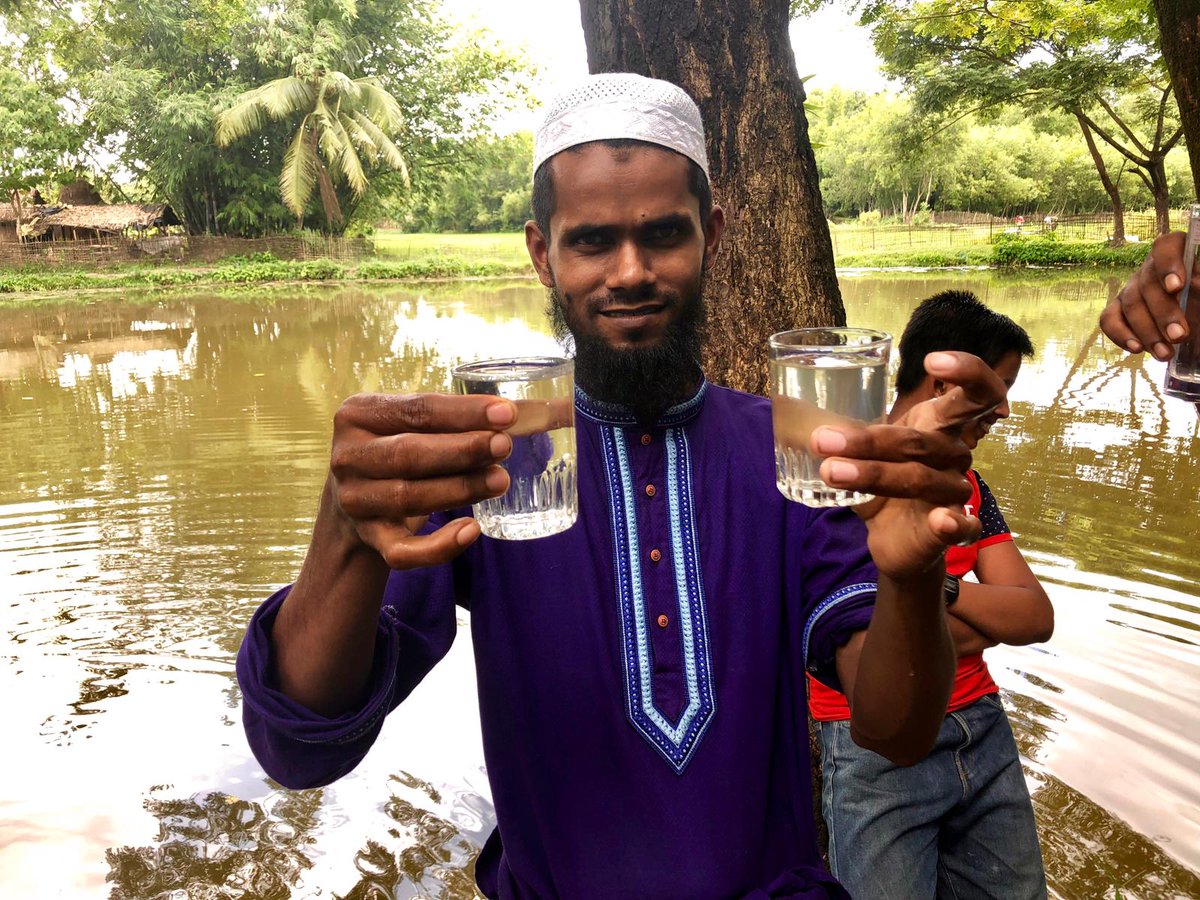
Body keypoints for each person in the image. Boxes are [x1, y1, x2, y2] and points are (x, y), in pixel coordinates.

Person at [235, 73, 1007, 898]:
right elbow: (301, 750)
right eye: (593, 241)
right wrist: (344, 529)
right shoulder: (492, 459)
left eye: (664, 234)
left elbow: (896, 731)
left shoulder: (795, 452)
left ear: (712, 236)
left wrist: (913, 576)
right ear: (543, 254)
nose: (630, 272)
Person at [810, 291, 1054, 899]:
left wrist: (930, 589)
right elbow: (872, 667)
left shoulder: (969, 485)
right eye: (995, 393)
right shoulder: (840, 480)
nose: (1002, 414)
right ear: (945, 384)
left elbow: (1033, 616)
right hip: (874, 759)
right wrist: (973, 611)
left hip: (983, 726)